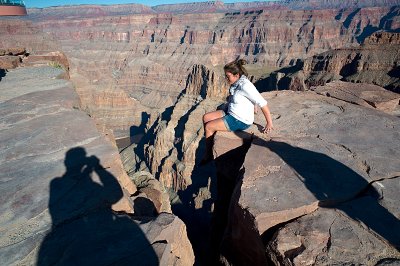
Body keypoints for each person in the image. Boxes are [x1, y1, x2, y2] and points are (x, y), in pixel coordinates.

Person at [200, 59, 274, 165]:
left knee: (209, 127)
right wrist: (253, 104)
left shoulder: (245, 85)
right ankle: (209, 149)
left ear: (236, 75)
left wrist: (269, 123)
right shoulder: (237, 82)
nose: (226, 78)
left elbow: (262, 102)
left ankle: (208, 155)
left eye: (228, 76)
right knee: (206, 117)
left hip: (240, 120)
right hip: (231, 112)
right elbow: (245, 97)